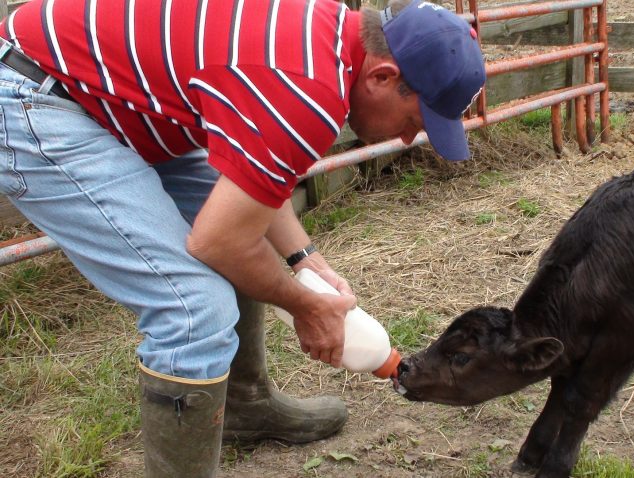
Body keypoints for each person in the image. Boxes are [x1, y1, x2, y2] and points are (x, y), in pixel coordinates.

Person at [0, 0, 485, 474]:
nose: (406, 138)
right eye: (414, 121)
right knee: (194, 310)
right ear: (381, 77)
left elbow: (255, 190)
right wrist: (306, 307)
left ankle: (243, 405)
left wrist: (304, 258)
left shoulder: (326, 39)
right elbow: (218, 243)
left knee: (248, 242)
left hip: (105, 95)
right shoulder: (306, 90)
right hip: (38, 93)